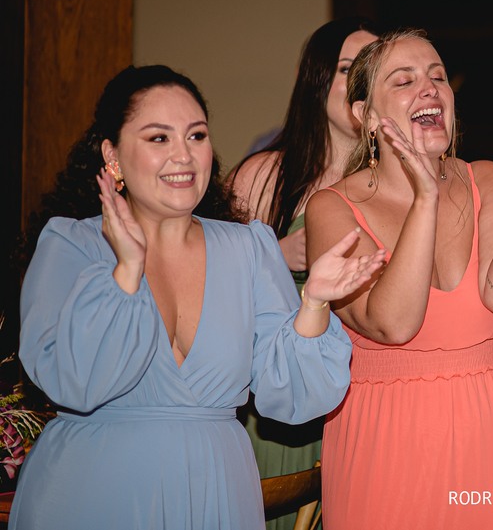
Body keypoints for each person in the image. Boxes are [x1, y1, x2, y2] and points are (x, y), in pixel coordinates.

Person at [11, 65, 383, 530]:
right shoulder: (72, 246)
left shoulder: (248, 247)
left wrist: (314, 302)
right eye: (158, 139)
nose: (183, 156)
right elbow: (72, 380)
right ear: (113, 155)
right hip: (95, 492)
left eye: (197, 135)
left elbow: (291, 394)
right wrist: (126, 271)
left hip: (215, 492)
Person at [306, 28, 493, 529]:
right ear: (366, 115)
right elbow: (393, 323)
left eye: (437, 77)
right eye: (404, 81)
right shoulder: (333, 207)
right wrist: (425, 198)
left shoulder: (490, 179)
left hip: (487, 429)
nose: (430, 88)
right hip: (387, 442)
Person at [227, 16, 378, 530]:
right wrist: (274, 254)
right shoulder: (266, 175)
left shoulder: (400, 186)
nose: (362, 83)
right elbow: (210, 300)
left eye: (376, 69)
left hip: (374, 400)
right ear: (316, 81)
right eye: (346, 69)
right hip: (283, 409)